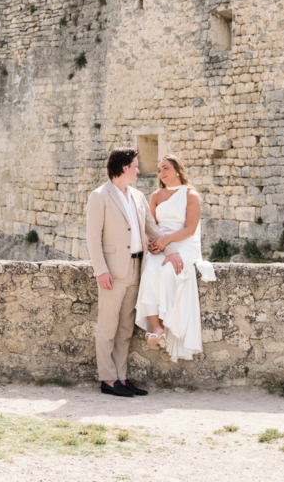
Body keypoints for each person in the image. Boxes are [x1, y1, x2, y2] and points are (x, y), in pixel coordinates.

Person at [85, 148, 156, 397]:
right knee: (107, 328)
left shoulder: (138, 195)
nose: (138, 170)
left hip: (137, 268)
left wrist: (172, 249)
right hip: (113, 273)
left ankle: (122, 378)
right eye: (135, 166)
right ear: (124, 167)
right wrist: (100, 271)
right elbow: (93, 238)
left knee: (126, 329)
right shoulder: (99, 196)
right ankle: (107, 379)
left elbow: (151, 228)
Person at [135, 154, 214, 362]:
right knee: (150, 268)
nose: (161, 173)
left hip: (183, 243)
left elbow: (190, 229)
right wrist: (152, 243)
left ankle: (168, 320)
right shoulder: (156, 196)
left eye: (165, 168)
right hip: (160, 243)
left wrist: (166, 241)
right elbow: (148, 226)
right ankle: (156, 327)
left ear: (177, 170)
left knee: (169, 270)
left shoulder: (191, 195)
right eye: (159, 170)